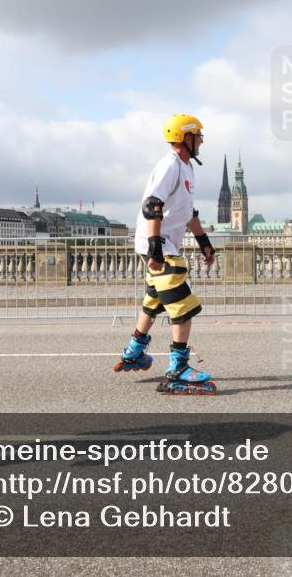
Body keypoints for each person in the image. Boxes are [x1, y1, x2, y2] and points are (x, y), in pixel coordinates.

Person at [113, 114, 217, 395]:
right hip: (158, 245)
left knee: (154, 300)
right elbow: (152, 205)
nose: (202, 142)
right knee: (183, 306)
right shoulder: (170, 165)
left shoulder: (187, 168)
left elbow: (188, 212)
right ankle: (179, 368)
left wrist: (203, 241)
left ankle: (135, 350)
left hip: (164, 243)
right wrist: (156, 247)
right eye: (199, 136)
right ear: (186, 138)